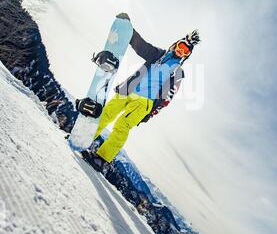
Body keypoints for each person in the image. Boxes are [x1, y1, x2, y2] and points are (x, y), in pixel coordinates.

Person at [82, 17, 200, 169]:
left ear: (186, 55)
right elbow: (142, 47)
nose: (180, 51)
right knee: (105, 114)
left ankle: (101, 158)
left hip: (144, 102)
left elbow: (167, 98)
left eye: (185, 51)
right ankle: (84, 138)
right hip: (127, 90)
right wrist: (129, 30)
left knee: (122, 126)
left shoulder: (178, 72)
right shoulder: (158, 54)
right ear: (177, 43)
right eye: (181, 46)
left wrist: (151, 113)